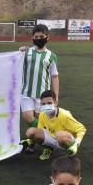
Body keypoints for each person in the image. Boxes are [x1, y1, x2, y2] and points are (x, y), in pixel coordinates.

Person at [19, 24, 59, 153]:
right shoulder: (26, 52)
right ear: (32, 38)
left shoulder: (51, 56)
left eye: (41, 36)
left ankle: (33, 141)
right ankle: (49, 140)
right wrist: (19, 52)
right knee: (28, 117)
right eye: (36, 37)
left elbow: (54, 76)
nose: (39, 38)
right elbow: (14, 62)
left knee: (40, 119)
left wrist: (56, 95)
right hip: (26, 92)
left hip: (43, 96)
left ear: (47, 37)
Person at [22, 90, 86, 161]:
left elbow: (81, 129)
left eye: (49, 103)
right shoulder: (42, 114)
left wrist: (76, 144)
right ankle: (48, 149)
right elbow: (40, 130)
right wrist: (30, 141)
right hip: (53, 137)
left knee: (59, 135)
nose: (46, 106)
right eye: (43, 104)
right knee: (30, 132)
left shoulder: (64, 115)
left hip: (64, 139)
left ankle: (72, 153)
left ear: (55, 103)